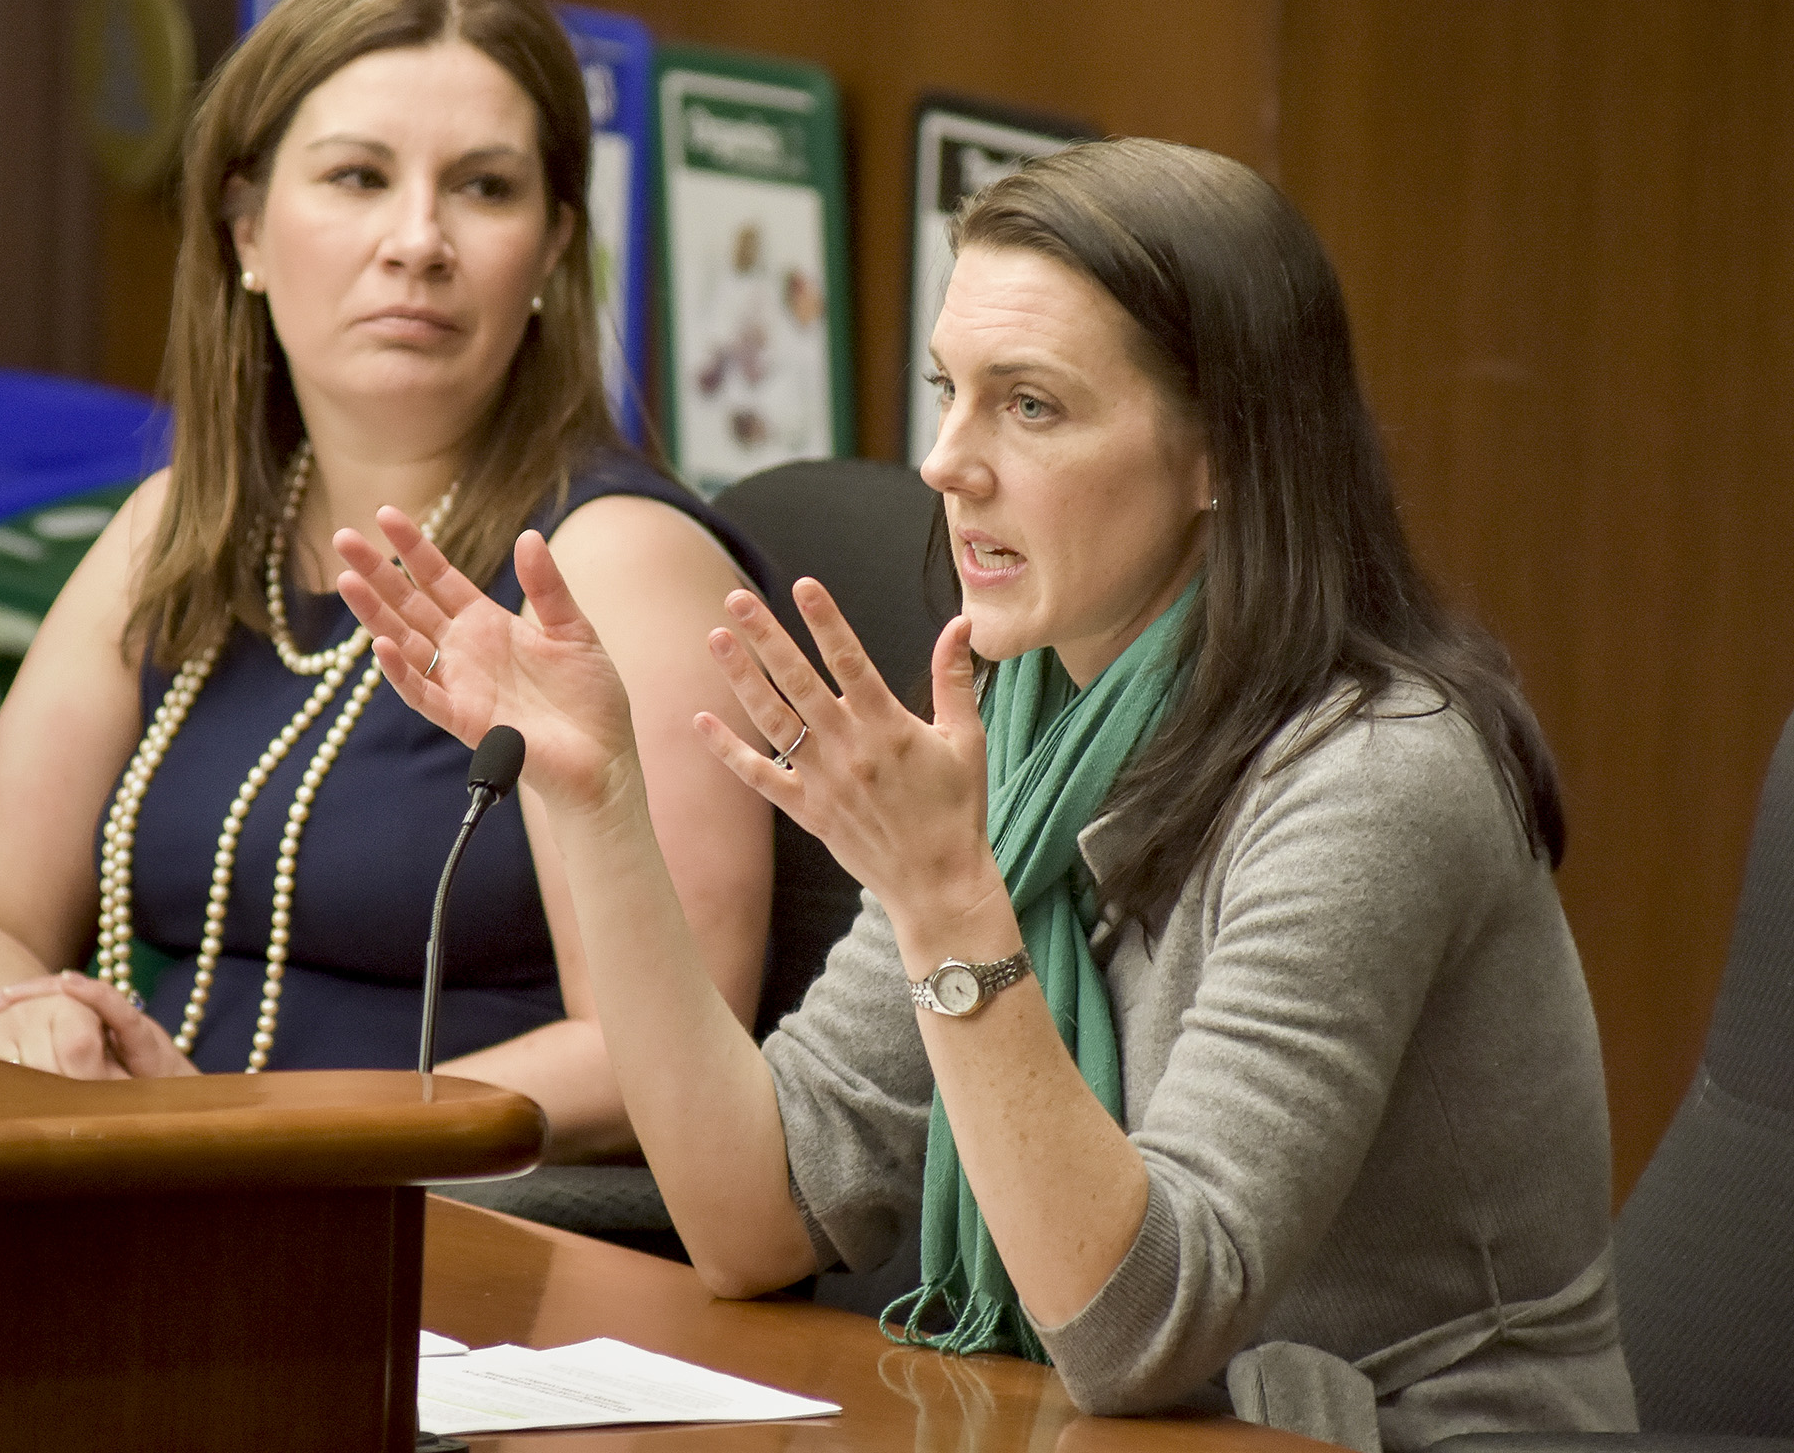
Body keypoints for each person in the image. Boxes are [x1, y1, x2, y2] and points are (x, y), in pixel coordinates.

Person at [321, 138, 1638, 1449]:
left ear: (1224, 456)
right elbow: (751, 1216)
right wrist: (594, 792)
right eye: (951, 391)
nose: (946, 461)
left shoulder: (1373, 778)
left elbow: (1145, 1330)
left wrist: (949, 901)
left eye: (1032, 405)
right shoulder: (1022, 724)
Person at [0, 0, 774, 1165]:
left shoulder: (613, 563)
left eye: (486, 188)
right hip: (151, 1185)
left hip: (456, 1234)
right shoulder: (176, 529)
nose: (419, 239)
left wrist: (258, 1135)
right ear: (247, 234)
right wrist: (34, 1021)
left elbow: (673, 1047)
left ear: (552, 252)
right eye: (357, 176)